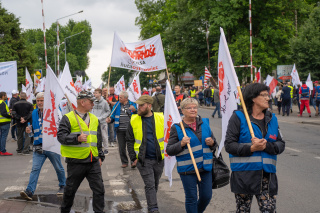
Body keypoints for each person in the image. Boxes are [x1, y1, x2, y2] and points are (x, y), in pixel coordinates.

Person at [225, 83, 285, 213]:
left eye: (267, 95)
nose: (268, 98)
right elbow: (229, 145)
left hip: (267, 176)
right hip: (244, 175)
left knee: (269, 210)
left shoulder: (272, 118)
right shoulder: (238, 117)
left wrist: (266, 146)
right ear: (253, 98)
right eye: (264, 95)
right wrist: (251, 148)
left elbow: (281, 144)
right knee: (243, 210)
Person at [57, 91, 105, 213]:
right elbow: (61, 137)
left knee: (99, 190)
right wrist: (76, 138)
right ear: (82, 102)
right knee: (70, 191)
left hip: (92, 161)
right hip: (76, 162)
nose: (93, 104)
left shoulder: (94, 119)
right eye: (91, 101)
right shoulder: (68, 118)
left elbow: (98, 139)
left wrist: (100, 156)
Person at [167, 98, 217, 213]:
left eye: (195, 107)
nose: (193, 110)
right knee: (191, 198)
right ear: (182, 111)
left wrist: (212, 143)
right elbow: (169, 150)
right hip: (187, 170)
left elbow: (214, 145)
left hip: (205, 168)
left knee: (206, 196)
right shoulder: (177, 127)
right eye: (189, 108)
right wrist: (181, 143)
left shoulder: (205, 123)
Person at [20, 92, 66, 200]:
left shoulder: (54, 112)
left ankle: (63, 186)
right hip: (38, 146)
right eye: (38, 101)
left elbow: (59, 127)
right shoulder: (34, 113)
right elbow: (33, 130)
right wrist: (29, 131)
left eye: (42, 100)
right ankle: (29, 191)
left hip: (51, 146)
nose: (39, 103)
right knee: (35, 169)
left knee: (58, 168)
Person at [127, 95, 164, 213]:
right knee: (150, 184)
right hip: (143, 160)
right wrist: (133, 158)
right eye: (138, 105)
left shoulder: (161, 117)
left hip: (159, 159)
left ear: (149, 106)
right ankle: (153, 208)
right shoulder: (133, 119)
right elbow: (130, 140)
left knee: (154, 184)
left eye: (141, 105)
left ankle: (152, 203)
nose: (139, 107)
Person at [106, 91, 137, 168]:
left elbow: (138, 115)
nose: (119, 99)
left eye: (120, 97)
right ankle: (124, 162)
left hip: (130, 130)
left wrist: (135, 110)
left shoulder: (132, 104)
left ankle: (133, 161)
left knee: (131, 147)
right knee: (121, 147)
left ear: (126, 98)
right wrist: (110, 120)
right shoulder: (116, 105)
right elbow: (113, 115)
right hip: (119, 129)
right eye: (119, 97)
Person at [92, 88, 110, 154]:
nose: (95, 94)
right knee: (96, 135)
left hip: (102, 122)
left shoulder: (104, 102)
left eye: (96, 93)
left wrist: (102, 117)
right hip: (95, 122)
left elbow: (108, 111)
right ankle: (97, 148)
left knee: (104, 135)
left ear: (100, 94)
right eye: (94, 93)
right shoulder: (93, 101)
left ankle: (106, 149)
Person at [0, 92, 13, 156]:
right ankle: (3, 151)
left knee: (1, 137)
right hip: (4, 122)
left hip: (1, 122)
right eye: (5, 95)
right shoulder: (2, 103)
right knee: (3, 137)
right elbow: (3, 113)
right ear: (2, 96)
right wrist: (10, 116)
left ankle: (1, 150)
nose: (6, 96)